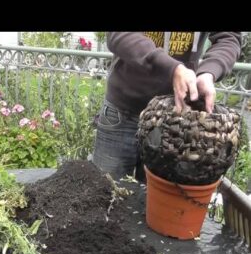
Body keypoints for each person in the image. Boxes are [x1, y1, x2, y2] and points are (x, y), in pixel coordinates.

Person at [92, 32, 242, 182]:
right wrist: (172, 68)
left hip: (174, 122)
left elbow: (228, 36)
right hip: (123, 109)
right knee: (104, 190)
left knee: (157, 199)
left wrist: (209, 72)